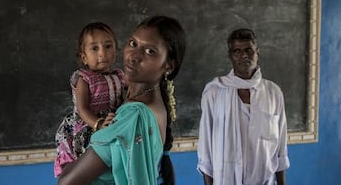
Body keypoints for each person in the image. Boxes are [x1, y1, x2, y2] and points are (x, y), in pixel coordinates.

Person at [57, 15, 187, 185]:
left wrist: (67, 167)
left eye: (150, 51)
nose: (134, 56)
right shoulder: (145, 102)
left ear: (168, 65)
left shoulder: (134, 115)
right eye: (133, 44)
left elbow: (66, 182)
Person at [197, 28, 290, 185]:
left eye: (249, 50)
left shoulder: (273, 92)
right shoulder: (214, 91)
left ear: (257, 53)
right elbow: (205, 148)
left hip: (265, 180)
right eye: (237, 51)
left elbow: (280, 147)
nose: (244, 55)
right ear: (230, 56)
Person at [54, 22, 125, 177]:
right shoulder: (84, 79)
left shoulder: (120, 76)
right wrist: (98, 124)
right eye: (94, 48)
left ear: (116, 51)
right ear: (83, 57)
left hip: (112, 124)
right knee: (86, 170)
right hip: (89, 125)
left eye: (108, 46)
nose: (102, 53)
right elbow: (82, 108)